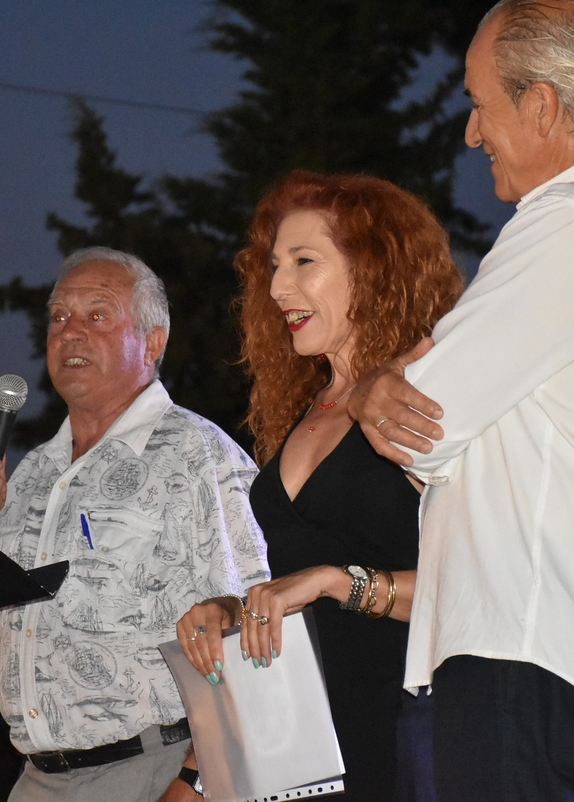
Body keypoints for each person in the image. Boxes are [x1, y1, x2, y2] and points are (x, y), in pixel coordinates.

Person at [349, 1, 574, 800]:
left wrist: (374, 387)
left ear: (542, 106)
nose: (471, 134)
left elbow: (417, 425)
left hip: (537, 656)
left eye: (480, 104)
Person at [176, 171, 464, 801]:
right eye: (274, 266)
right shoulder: (308, 406)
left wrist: (339, 582)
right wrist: (237, 612)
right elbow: (302, 572)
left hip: (405, 730)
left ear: (374, 269)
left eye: (304, 261)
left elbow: (480, 584)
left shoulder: (425, 393)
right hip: (301, 748)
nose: (278, 287)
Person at [0, 247, 270, 802]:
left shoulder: (196, 453)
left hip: (157, 769)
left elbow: (256, 626)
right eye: (58, 316)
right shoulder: (30, 475)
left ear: (153, 343)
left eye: (97, 315)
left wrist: (195, 783)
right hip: (37, 779)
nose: (70, 331)